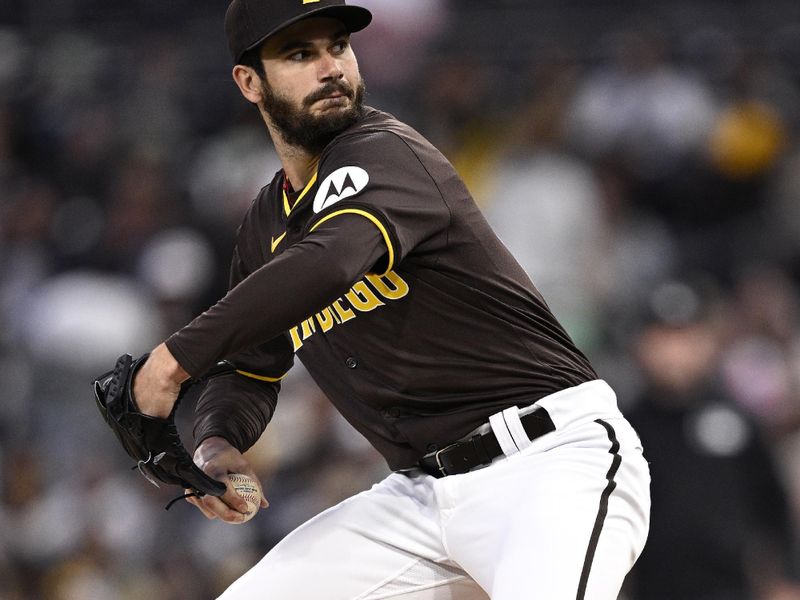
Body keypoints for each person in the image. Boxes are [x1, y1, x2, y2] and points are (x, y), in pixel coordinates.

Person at [131, 1, 650, 598]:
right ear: (250, 82)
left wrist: (172, 358)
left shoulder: (387, 152)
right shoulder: (264, 226)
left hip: (548, 464)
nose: (331, 67)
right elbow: (250, 366)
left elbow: (329, 261)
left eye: (338, 47)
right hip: (417, 498)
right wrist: (218, 439)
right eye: (301, 54)